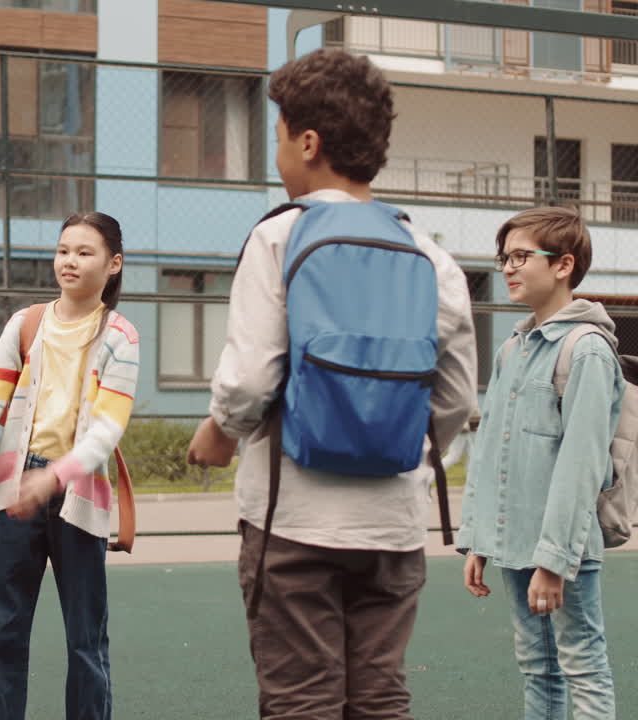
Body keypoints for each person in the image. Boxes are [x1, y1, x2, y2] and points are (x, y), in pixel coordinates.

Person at [186, 49, 477, 719]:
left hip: (293, 521)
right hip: (393, 526)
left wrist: (218, 433)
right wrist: (394, 440)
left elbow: (252, 377)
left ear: (308, 142)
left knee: (300, 702)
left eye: (280, 136)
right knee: (380, 699)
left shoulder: (279, 237)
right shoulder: (429, 254)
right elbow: (458, 399)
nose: (278, 153)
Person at [0, 212, 140, 720]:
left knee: (86, 639)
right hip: (15, 490)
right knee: (0, 631)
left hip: (77, 497)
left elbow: (108, 429)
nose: (69, 261)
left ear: (113, 264)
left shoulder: (121, 336)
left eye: (84, 252)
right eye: (64, 249)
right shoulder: (26, 323)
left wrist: (53, 477)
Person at [459, 206, 622, 720]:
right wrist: (478, 539)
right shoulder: (512, 350)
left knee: (582, 666)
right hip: (512, 540)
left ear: (563, 265)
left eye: (521, 256)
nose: (507, 267)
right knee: (537, 667)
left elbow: (581, 465)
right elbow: (488, 453)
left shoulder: (586, 349)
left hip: (563, 548)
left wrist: (553, 562)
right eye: (504, 257)